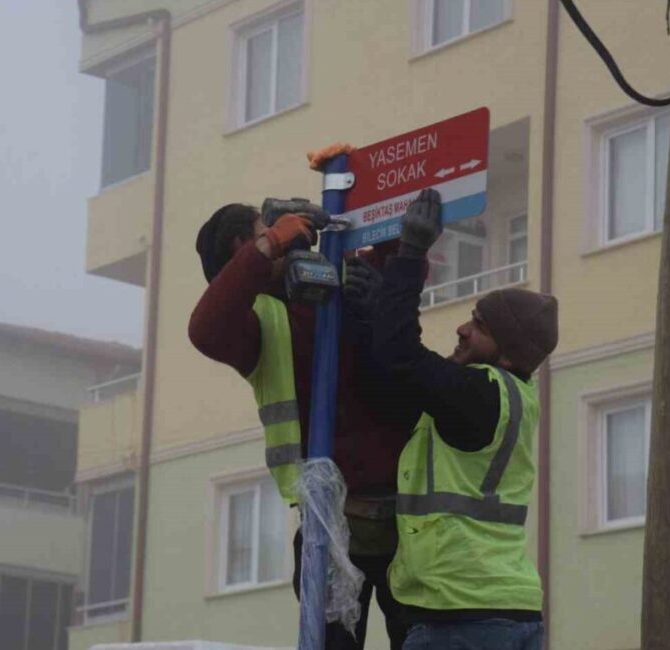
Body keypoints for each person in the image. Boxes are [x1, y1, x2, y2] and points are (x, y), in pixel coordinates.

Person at [189, 201, 419, 650]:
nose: (290, 234)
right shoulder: (257, 321)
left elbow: (399, 282)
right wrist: (271, 244)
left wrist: (387, 248)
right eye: (269, 228)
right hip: (332, 528)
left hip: (408, 519)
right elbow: (205, 329)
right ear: (243, 245)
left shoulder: (329, 280)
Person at [370, 189, 557, 650]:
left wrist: (411, 254)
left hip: (460, 616)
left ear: (508, 353)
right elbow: (404, 371)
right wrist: (378, 298)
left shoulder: (478, 394)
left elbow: (400, 356)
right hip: (508, 610)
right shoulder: (511, 397)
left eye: (480, 326)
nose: (462, 329)